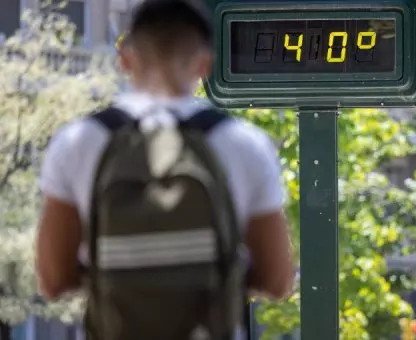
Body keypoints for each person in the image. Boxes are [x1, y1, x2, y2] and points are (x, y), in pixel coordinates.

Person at [35, 0, 294, 338]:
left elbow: (53, 280)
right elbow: (277, 280)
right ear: (204, 64)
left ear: (126, 58)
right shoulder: (244, 144)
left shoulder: (77, 142)